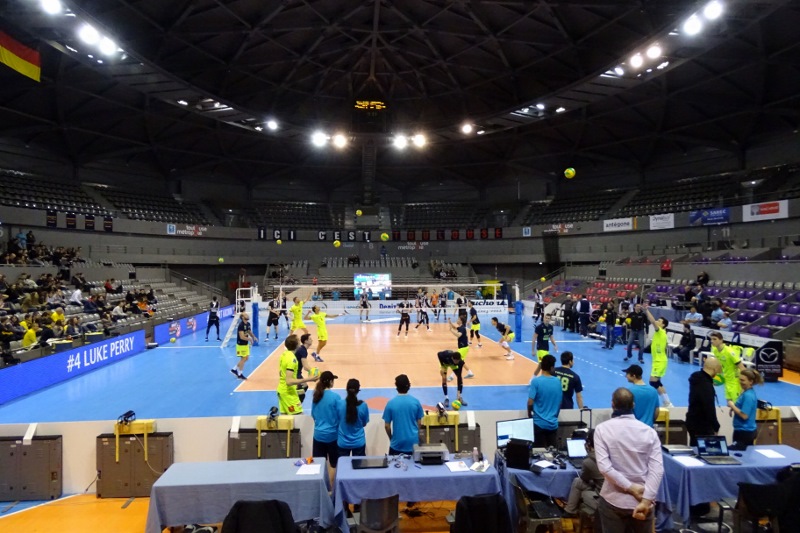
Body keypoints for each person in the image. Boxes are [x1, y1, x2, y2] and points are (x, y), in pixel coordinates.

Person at [594, 388, 664, 533]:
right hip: (642, 501)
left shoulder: (602, 429)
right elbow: (657, 470)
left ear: (612, 404)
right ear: (633, 405)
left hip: (613, 501)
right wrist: (646, 500)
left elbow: (605, 468)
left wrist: (630, 487)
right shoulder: (649, 432)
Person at [562, 429, 604, 517]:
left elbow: (584, 478)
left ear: (588, 444)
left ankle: (570, 510)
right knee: (578, 481)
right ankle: (570, 510)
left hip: (603, 497)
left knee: (578, 483)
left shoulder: (589, 461)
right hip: (610, 491)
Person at [277, 334, 319, 415]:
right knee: (299, 418)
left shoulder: (284, 354)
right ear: (296, 344)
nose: (300, 342)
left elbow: (280, 373)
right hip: (288, 394)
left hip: (282, 391)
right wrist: (309, 379)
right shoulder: (292, 360)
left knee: (286, 420)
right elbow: (289, 381)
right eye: (299, 341)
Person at [383, 374, 424, 455]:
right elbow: (419, 423)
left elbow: (387, 426)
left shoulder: (390, 403)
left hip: (397, 444)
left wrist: (391, 439)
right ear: (409, 386)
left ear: (396, 386)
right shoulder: (416, 402)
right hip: (413, 443)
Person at [527, 354, 562, 448]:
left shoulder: (536, 382)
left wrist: (530, 416)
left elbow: (530, 402)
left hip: (538, 424)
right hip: (553, 424)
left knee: (538, 453)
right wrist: (554, 416)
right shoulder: (558, 382)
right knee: (553, 452)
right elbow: (559, 402)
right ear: (551, 367)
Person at [686, 357, 722, 446]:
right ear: (715, 369)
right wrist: (716, 426)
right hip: (702, 425)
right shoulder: (706, 385)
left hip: (692, 420)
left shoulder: (696, 378)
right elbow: (709, 407)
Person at [643, 304, 673, 408]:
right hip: (659, 360)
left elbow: (652, 321)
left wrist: (646, 310)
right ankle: (667, 402)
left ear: (663, 325)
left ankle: (667, 402)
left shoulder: (660, 331)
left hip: (660, 361)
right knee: (657, 382)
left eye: (659, 321)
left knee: (653, 382)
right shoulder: (661, 332)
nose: (657, 321)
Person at [311, 371, 342, 468]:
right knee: (335, 466)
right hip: (333, 436)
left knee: (318, 466)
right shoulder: (336, 397)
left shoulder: (316, 396)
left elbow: (313, 415)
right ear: (331, 382)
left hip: (318, 436)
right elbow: (340, 416)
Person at [728, 369, 764, 450]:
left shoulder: (748, 396)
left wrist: (732, 406)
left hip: (744, 432)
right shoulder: (745, 392)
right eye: (740, 379)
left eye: (743, 380)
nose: (740, 382)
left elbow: (744, 416)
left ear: (750, 381)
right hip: (742, 431)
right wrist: (734, 408)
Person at [338, 378, 370, 458]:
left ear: (347, 389)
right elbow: (364, 423)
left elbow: (337, 420)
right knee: (359, 466)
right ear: (358, 391)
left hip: (343, 442)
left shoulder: (339, 404)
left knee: (342, 465)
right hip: (358, 442)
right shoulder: (363, 405)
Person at [709, 332, 745, 403]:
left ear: (721, 340)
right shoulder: (715, 351)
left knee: (737, 404)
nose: (712, 341)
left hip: (735, 381)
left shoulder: (730, 352)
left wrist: (743, 386)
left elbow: (742, 368)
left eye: (714, 339)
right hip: (726, 380)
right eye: (711, 339)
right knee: (729, 403)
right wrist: (716, 378)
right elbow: (721, 366)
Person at [230, 312, 257, 380]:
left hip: (245, 344)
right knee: (243, 358)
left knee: (246, 358)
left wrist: (253, 337)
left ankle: (234, 369)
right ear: (242, 317)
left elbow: (249, 332)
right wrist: (250, 339)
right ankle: (240, 374)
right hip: (241, 344)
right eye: (245, 315)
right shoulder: (241, 325)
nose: (247, 315)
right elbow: (242, 337)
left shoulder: (248, 324)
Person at [294, 333, 317, 403]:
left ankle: (295, 399)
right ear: (305, 341)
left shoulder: (302, 349)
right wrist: (316, 373)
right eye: (310, 339)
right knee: (302, 392)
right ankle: (295, 402)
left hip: (297, 373)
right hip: (295, 374)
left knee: (304, 387)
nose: (312, 340)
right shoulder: (302, 351)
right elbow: (306, 367)